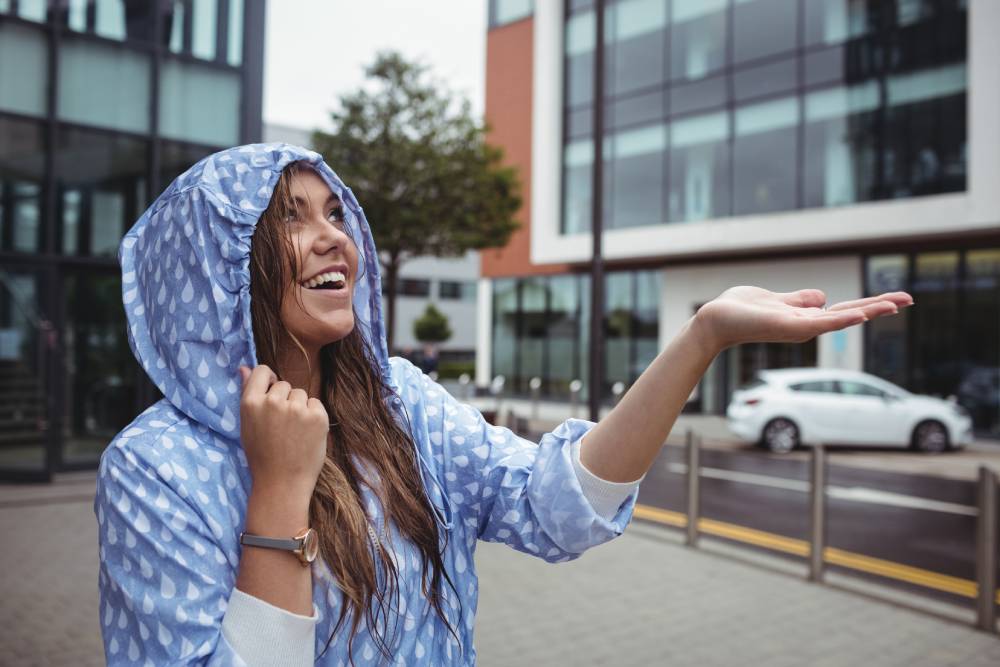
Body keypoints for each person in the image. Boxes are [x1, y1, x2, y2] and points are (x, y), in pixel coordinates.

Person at [94, 143, 912, 666]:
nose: (335, 236)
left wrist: (700, 338)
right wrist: (279, 486)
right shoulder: (155, 468)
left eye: (336, 212)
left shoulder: (400, 403)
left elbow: (556, 507)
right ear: (217, 269)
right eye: (288, 219)